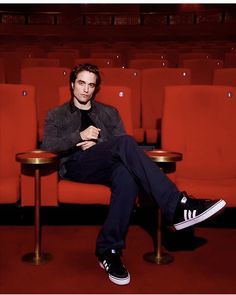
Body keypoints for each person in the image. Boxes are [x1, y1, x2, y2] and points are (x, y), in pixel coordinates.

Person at [41, 63, 226, 286]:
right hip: (75, 165)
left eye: (91, 85)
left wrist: (99, 143)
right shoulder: (57, 114)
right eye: (81, 83)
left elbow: (121, 148)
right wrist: (79, 136)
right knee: (127, 144)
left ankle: (108, 249)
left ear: (95, 88)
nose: (85, 89)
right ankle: (177, 206)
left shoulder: (109, 113)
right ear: (72, 84)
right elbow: (48, 145)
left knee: (126, 176)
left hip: (106, 164)